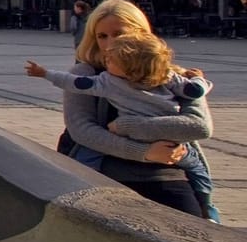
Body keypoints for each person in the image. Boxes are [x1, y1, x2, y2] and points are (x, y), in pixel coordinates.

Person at [29, 29, 217, 221]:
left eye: (119, 35)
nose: (109, 45)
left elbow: (198, 124)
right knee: (85, 163)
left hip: (169, 169)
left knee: (197, 173)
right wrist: (45, 74)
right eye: (102, 35)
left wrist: (197, 80)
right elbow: (83, 128)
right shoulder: (102, 78)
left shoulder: (169, 75)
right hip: (113, 172)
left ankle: (208, 210)